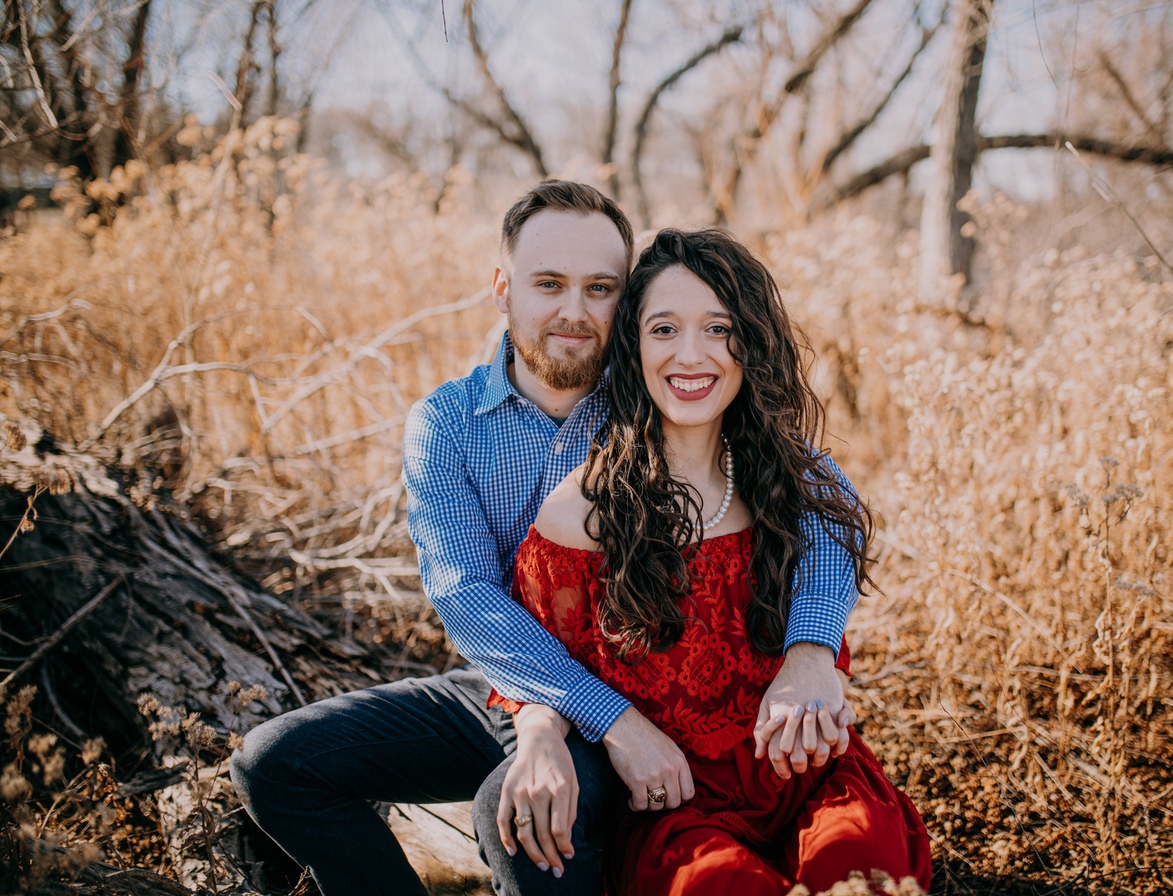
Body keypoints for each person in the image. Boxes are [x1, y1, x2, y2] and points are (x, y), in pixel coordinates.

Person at [230, 182, 863, 896]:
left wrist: (812, 651)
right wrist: (570, 718)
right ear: (502, 287)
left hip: (638, 676)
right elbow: (466, 596)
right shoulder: (447, 425)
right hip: (513, 680)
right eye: (549, 284)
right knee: (275, 762)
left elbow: (823, 498)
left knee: (519, 812)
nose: (575, 310)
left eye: (601, 288)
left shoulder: (667, 384)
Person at [493, 228, 933, 895]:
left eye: (718, 328)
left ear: (750, 343)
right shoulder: (581, 511)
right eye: (664, 329)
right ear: (632, 347)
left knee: (862, 874)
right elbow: (539, 660)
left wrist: (814, 661)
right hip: (680, 809)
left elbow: (833, 568)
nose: (691, 355)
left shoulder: (796, 479)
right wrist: (539, 733)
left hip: (812, 776)